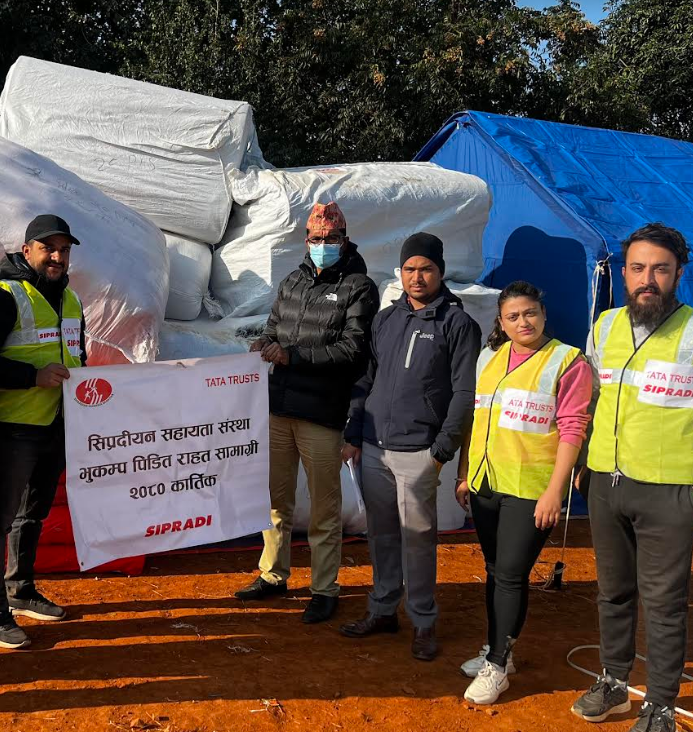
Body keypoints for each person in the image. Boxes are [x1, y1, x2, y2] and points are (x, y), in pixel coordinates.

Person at [570, 223, 693, 732]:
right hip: (607, 485)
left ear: (678, 274)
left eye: (660, 270)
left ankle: (661, 704)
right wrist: (583, 462)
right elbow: (590, 399)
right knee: (612, 592)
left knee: (664, 605)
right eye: (638, 268)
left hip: (670, 494)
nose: (648, 280)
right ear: (623, 274)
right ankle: (614, 683)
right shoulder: (604, 327)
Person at [233, 201, 380, 624]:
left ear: (344, 239)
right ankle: (273, 574)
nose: (323, 244)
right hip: (279, 407)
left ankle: (324, 587)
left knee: (323, 506)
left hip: (321, 410)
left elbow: (352, 350)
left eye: (331, 238)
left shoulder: (358, 287)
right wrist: (264, 344)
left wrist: (293, 356)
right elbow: (273, 328)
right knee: (275, 500)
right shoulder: (293, 281)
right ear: (306, 239)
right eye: (316, 238)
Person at [338, 233, 481, 660]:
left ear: (440, 271)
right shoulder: (385, 320)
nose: (417, 277)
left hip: (420, 450)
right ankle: (383, 609)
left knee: (418, 540)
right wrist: (354, 432)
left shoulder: (457, 324)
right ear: (400, 273)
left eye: (426, 269)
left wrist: (442, 450)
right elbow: (366, 380)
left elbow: (464, 393)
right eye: (409, 269)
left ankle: (423, 620)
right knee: (380, 535)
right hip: (375, 448)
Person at [454, 281, 592, 704]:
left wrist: (556, 491)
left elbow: (573, 429)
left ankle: (497, 667)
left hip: (532, 488)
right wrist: (465, 472)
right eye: (512, 316)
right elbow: (477, 418)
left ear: (544, 314)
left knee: (512, 574)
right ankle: (499, 649)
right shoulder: (489, 358)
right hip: (486, 482)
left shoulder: (567, 361)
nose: (523, 322)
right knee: (496, 570)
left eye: (530, 313)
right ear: (501, 322)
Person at [0, 214, 87, 648]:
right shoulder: (2, 297)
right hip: (13, 425)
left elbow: (78, 356)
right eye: (48, 248)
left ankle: (19, 589)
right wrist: (32, 377)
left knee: (33, 513)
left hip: (56, 422)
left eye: (64, 250)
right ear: (26, 251)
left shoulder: (71, 299)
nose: (57, 257)